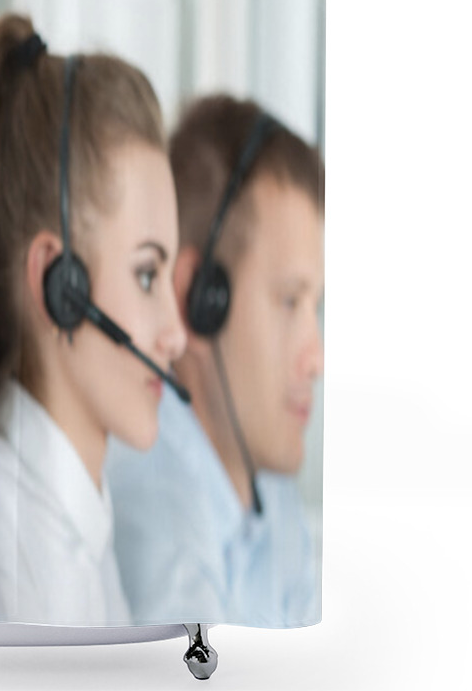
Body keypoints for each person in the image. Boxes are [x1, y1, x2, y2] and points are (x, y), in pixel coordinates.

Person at [0, 13, 187, 625]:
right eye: (146, 275)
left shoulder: (78, 521)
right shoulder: (0, 536)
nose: (177, 333)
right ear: (60, 286)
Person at [106, 94, 325, 627]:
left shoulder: (267, 488)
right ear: (199, 302)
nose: (316, 357)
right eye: (290, 301)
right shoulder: (156, 503)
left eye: (317, 307)